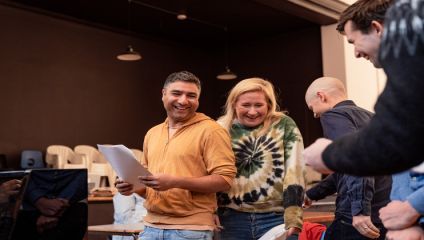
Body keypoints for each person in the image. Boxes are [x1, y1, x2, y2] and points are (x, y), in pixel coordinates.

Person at [303, 0, 424, 238]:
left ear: (377, 28)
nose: (356, 53)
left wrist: (412, 208)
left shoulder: (336, 114)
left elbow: (369, 158)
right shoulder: (371, 114)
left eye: (353, 41)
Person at [115, 70, 236, 240]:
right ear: (163, 94)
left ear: (198, 99)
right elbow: (149, 187)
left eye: (191, 95)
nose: (183, 100)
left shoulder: (212, 130)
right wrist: (131, 187)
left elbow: (225, 180)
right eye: (177, 93)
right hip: (150, 227)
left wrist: (175, 182)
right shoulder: (153, 133)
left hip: (190, 230)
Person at [216, 78, 305, 240]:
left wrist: (294, 216)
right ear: (234, 104)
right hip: (230, 218)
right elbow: (211, 174)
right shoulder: (220, 128)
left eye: (258, 105)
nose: (252, 112)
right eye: (245, 105)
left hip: (277, 218)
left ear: (269, 105)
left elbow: (295, 170)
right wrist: (210, 212)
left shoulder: (283, 124)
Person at [303, 77, 391, 239]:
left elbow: (354, 159)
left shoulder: (334, 114)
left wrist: (360, 210)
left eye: (312, 108)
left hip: (356, 220)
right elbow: (346, 168)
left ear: (321, 96)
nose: (315, 115)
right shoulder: (372, 118)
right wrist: (312, 194)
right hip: (383, 215)